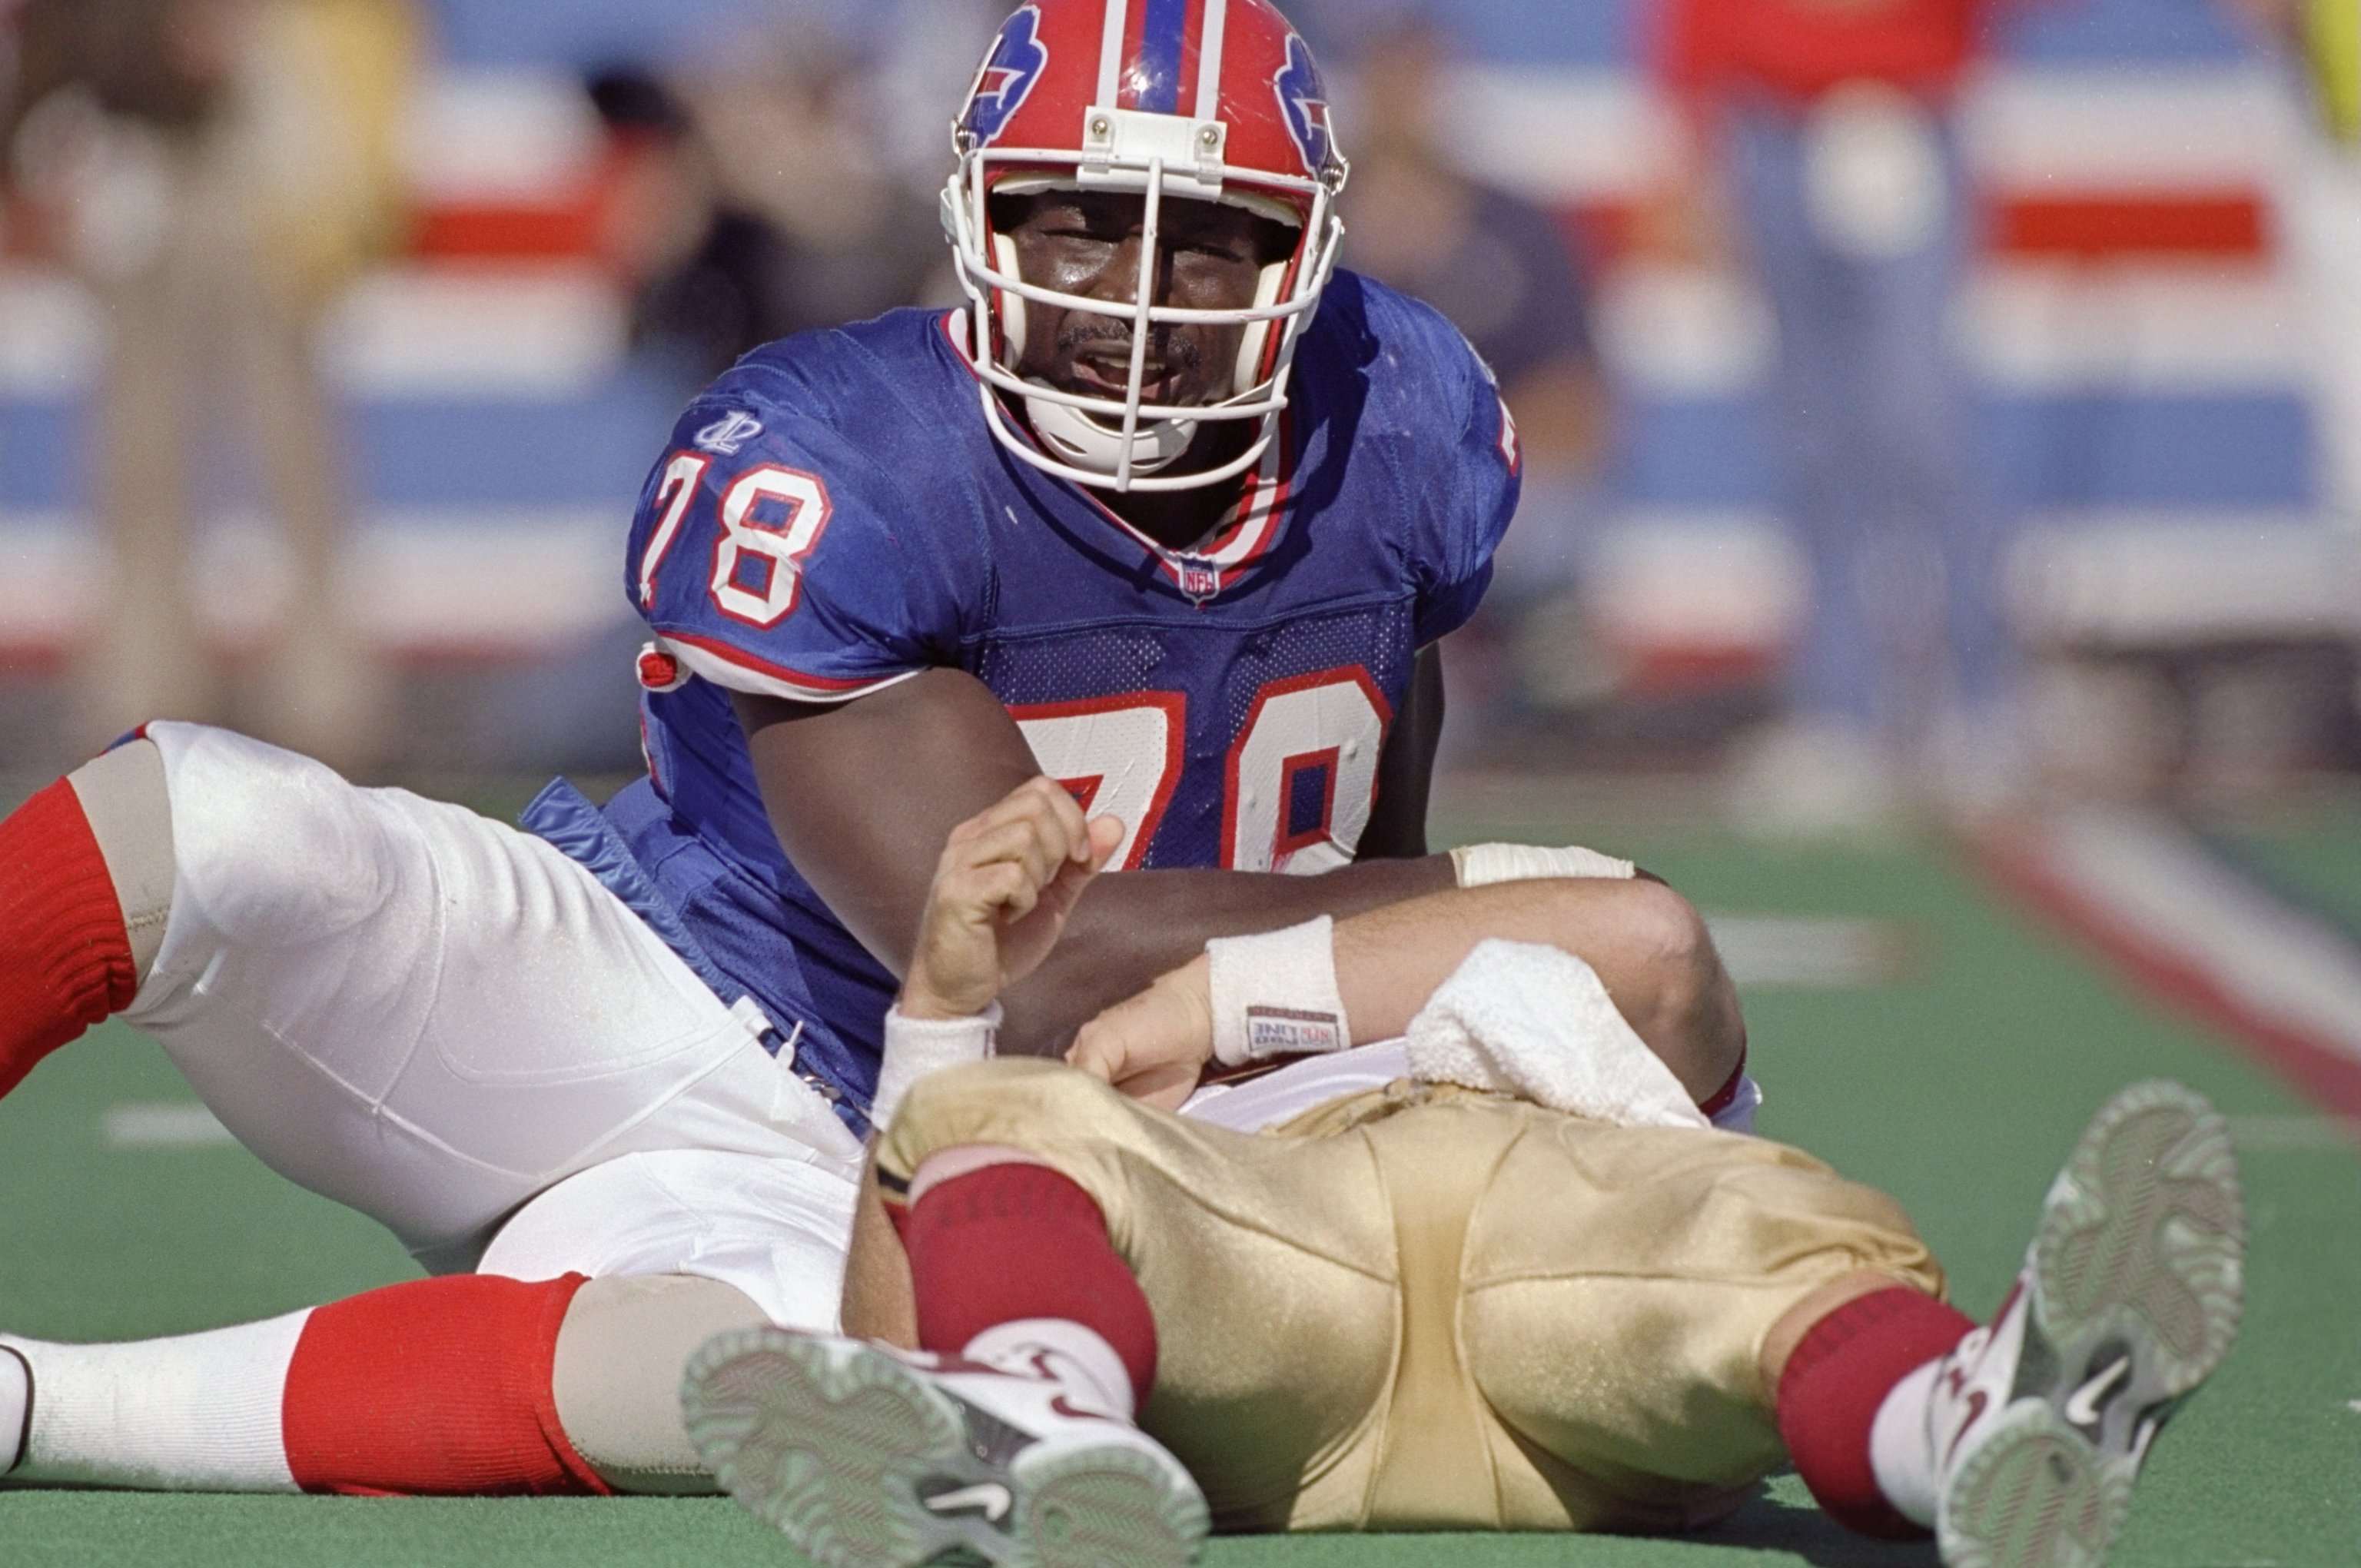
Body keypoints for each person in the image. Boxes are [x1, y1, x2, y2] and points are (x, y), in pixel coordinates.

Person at [0, 0, 1743, 1496]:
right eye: (1075, 220)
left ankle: (35, 1411)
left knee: (739, 1372)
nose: (1136, 292)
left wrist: (1419, 953)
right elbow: (1002, 955)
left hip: (967, 1154)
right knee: (206, 824)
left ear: (1306, 254)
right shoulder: (848, 452)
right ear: (979, 218)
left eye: (1210, 231)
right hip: (654, 986)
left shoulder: (1405, 414)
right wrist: (1512, 905)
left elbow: (1376, 771)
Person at [677, 776, 2246, 1568]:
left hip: (1543, 1275)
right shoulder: (1142, 1113)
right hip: (1282, 1274)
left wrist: (1199, 1001)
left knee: (1770, 1245)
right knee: (1006, 1121)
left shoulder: (1430, 1010)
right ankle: (1031, 1410)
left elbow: (1644, 938)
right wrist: (945, 1012)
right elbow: (883, 1351)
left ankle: (1961, 1433)